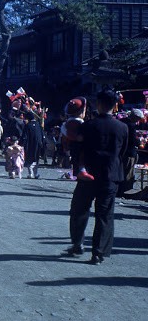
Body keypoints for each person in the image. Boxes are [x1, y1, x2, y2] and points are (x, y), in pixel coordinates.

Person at [66, 89, 128, 265]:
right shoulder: (122, 127)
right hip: (110, 175)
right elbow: (122, 153)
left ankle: (77, 243)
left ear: (99, 104)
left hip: (88, 175)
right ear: (115, 105)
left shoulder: (87, 125)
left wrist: (79, 167)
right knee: (105, 215)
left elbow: (77, 149)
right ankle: (98, 253)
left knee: (79, 209)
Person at [60, 97, 93, 181]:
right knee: (81, 160)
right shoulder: (79, 123)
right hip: (79, 147)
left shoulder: (67, 123)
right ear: (81, 111)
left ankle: (78, 172)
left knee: (76, 161)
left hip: (71, 147)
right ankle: (82, 172)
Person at [117, 108, 143, 196]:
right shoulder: (131, 126)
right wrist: (139, 142)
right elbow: (133, 140)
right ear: (135, 117)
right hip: (129, 152)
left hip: (119, 151)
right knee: (127, 172)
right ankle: (124, 190)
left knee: (120, 170)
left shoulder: (121, 122)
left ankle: (118, 189)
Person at [21, 110, 45, 179]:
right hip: (38, 144)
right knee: (36, 159)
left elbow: (24, 136)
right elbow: (42, 134)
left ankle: (30, 173)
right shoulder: (38, 124)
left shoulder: (27, 125)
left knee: (29, 158)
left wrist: (21, 144)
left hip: (30, 145)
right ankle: (36, 173)